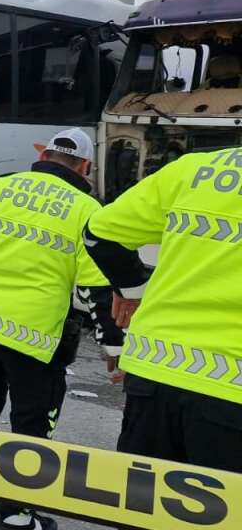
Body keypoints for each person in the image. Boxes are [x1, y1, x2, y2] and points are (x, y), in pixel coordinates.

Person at [0, 128, 121, 530]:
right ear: (85, 166)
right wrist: (112, 347)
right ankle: (16, 516)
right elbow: (96, 288)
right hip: (35, 338)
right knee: (31, 426)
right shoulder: (87, 209)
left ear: (43, 155)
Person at [84, 146, 242, 473]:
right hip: (231, 392)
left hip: (154, 374)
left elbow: (98, 235)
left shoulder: (195, 168)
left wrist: (131, 291)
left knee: (143, 498)